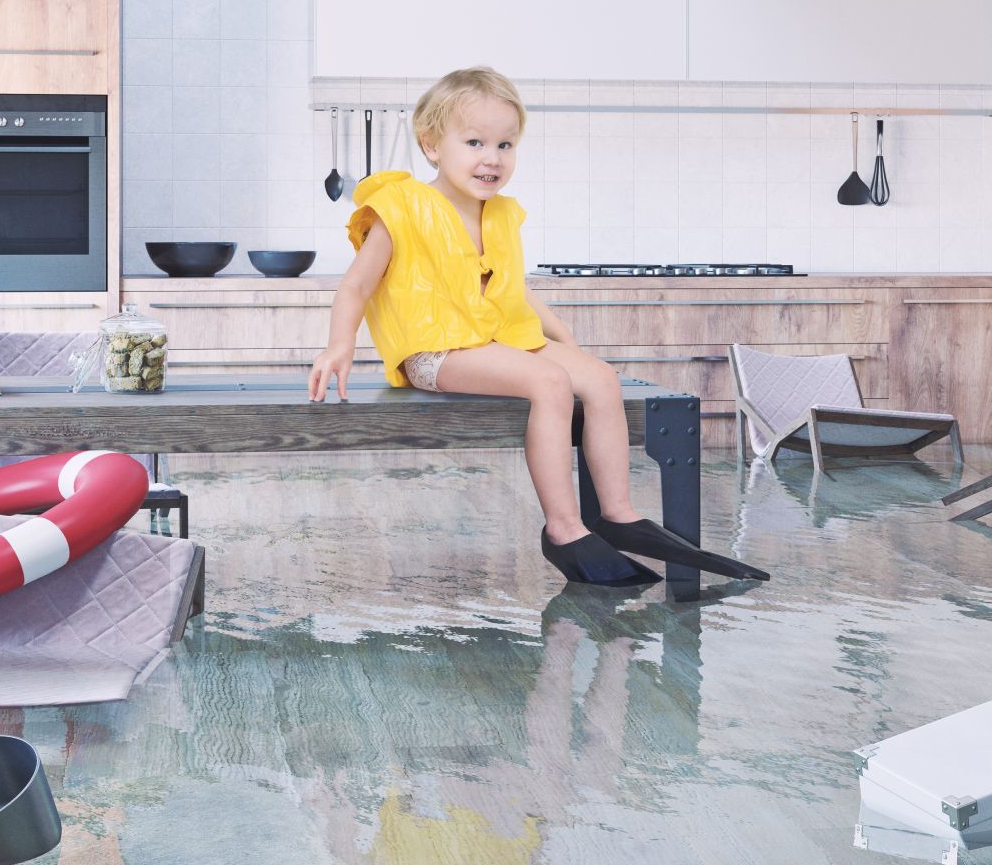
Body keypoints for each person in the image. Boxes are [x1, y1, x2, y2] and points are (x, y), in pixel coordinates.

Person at [307, 67, 766, 587]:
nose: (492, 157)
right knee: (548, 383)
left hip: (498, 339)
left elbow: (513, 289)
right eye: (475, 141)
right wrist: (338, 344)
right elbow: (356, 285)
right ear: (432, 145)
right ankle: (564, 529)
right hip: (434, 351)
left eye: (505, 144)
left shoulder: (499, 215)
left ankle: (618, 515)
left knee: (599, 378)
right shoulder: (402, 206)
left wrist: (562, 338)